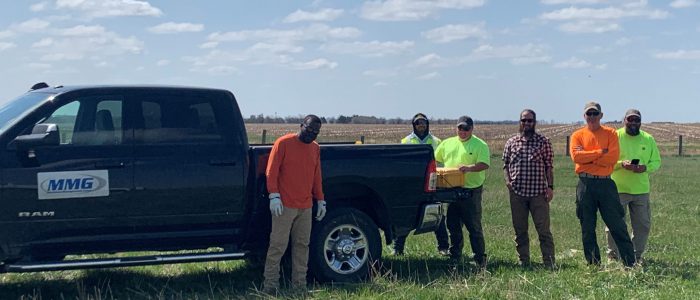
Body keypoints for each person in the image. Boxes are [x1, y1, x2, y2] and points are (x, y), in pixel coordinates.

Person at [263, 115, 327, 293]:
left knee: (302, 246)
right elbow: (272, 171)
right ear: (301, 126)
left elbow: (316, 176)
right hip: (284, 205)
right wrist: (274, 195)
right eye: (309, 129)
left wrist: (320, 199)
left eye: (316, 132)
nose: (311, 134)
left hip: (305, 207)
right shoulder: (283, 143)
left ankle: (299, 285)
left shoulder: (315, 148)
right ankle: (270, 286)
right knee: (277, 246)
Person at [570, 102, 636, 267]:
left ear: (601, 115)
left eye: (595, 113)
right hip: (585, 184)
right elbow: (577, 158)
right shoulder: (577, 135)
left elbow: (612, 159)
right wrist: (599, 152)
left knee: (617, 224)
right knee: (587, 226)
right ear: (584, 116)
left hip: (606, 184)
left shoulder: (610, 133)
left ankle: (629, 263)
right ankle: (593, 264)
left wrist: (589, 158)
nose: (592, 117)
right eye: (589, 114)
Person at [502, 109, 556, 269]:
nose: (526, 123)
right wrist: (508, 182)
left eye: (530, 120)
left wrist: (550, 187)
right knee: (520, 230)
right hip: (517, 193)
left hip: (538, 193)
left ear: (535, 122)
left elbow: (549, 166)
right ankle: (523, 261)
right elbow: (505, 165)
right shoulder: (511, 142)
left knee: (544, 231)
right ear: (520, 122)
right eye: (524, 120)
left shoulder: (543, 141)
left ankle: (549, 262)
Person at [434, 116, 490, 269]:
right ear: (456, 128)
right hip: (451, 190)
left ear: (472, 129)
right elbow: (435, 158)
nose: (462, 131)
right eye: (460, 128)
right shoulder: (447, 143)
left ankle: (479, 258)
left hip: (471, 190)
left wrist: (469, 168)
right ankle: (455, 255)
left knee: (473, 226)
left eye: (466, 129)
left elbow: (485, 164)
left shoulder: (480, 145)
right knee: (452, 224)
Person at [606, 109, 661, 264]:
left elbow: (656, 161)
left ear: (640, 122)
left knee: (642, 225)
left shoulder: (648, 139)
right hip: (617, 188)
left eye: (636, 120)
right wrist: (621, 164)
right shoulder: (615, 137)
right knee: (614, 224)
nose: (633, 123)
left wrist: (645, 168)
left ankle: (636, 256)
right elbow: (607, 161)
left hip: (641, 190)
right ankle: (613, 256)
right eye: (630, 120)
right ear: (624, 120)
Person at [393, 113, 450, 256]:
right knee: (407, 216)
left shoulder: (436, 141)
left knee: (437, 215)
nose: (421, 125)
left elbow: (443, 162)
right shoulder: (406, 141)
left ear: (427, 124)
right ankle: (398, 248)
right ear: (414, 125)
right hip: (412, 185)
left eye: (423, 123)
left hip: (431, 184)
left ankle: (443, 247)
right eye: (418, 123)